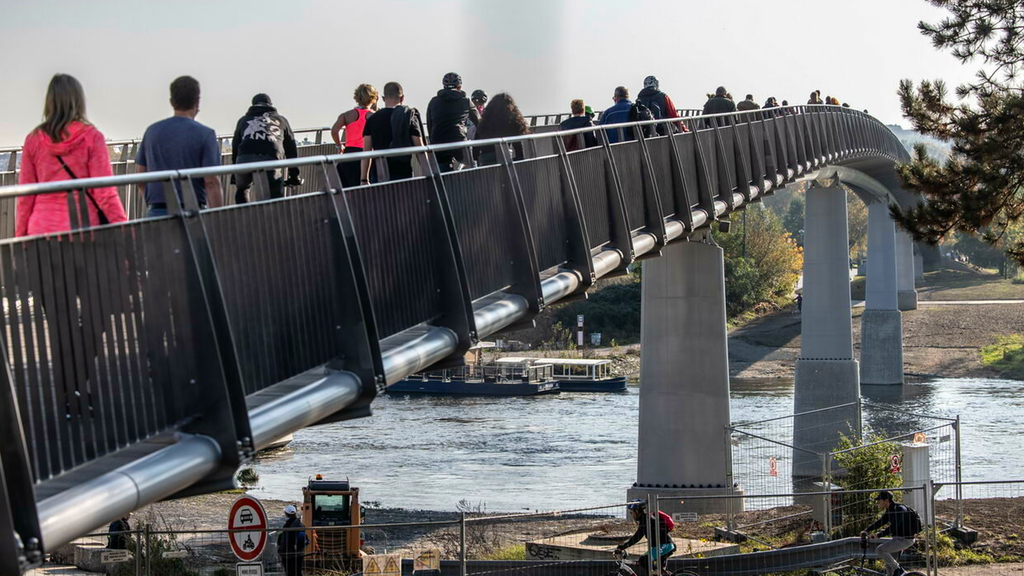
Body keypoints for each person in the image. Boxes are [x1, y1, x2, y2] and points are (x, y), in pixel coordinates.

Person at [16, 73, 127, 236]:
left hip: (41, 228)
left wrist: (20, 236)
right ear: (79, 101)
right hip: (82, 227)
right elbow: (105, 193)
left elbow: (25, 196)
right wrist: (124, 229)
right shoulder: (92, 137)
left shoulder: (33, 139)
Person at [136, 76, 223, 217]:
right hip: (193, 213)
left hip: (157, 212)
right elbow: (211, 182)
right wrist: (218, 217)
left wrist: (152, 204)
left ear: (171, 102)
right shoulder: (206, 134)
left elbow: (141, 180)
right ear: (197, 101)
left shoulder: (151, 131)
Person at [231, 93, 301, 204]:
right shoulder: (282, 120)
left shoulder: (243, 120)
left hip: (244, 158)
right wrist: (294, 175)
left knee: (243, 188)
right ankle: (272, 218)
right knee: (275, 191)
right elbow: (291, 149)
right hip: (270, 157)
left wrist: (234, 171)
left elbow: (235, 146)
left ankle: (244, 216)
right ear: (271, 105)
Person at [359, 81, 425, 182]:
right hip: (403, 173)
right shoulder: (408, 116)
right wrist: (428, 173)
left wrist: (364, 179)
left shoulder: (372, 119)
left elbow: (367, 152)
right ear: (402, 98)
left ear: (383, 98)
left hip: (378, 174)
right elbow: (419, 148)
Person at [426, 72, 481, 171]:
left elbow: (430, 125)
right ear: (459, 87)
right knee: (471, 169)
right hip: (458, 140)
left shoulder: (433, 101)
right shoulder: (466, 101)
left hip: (438, 141)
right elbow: (479, 122)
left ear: (444, 86)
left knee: (442, 173)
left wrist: (433, 141)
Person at [861, 491, 921, 576]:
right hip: (898, 539)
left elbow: (893, 527)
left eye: (879, 500)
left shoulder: (900, 509)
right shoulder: (891, 510)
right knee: (889, 567)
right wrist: (867, 530)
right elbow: (881, 522)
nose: (878, 502)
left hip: (905, 540)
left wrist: (878, 535)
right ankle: (898, 571)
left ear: (886, 500)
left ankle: (899, 570)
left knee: (880, 550)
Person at [332, 84, 377, 186]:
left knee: (345, 189)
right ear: (373, 98)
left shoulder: (346, 115)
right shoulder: (373, 116)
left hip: (349, 154)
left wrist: (339, 145)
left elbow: (334, 131)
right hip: (366, 155)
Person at [615, 500, 675, 576]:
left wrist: (622, 547)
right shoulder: (646, 518)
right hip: (658, 546)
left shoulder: (646, 520)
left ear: (637, 511)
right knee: (645, 561)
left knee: (644, 560)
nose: (631, 514)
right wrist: (623, 546)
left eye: (631, 512)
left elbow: (637, 537)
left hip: (665, 545)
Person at [474, 92, 530, 165]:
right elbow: (519, 153)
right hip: (504, 159)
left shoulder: (484, 123)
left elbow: (475, 149)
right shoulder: (512, 122)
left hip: (486, 162)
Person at [278, 505, 308, 576]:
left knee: (290, 573)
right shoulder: (300, 524)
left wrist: (281, 551)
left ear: (286, 513)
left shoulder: (288, 526)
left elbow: (285, 541)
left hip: (289, 554)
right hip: (299, 552)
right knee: (298, 572)